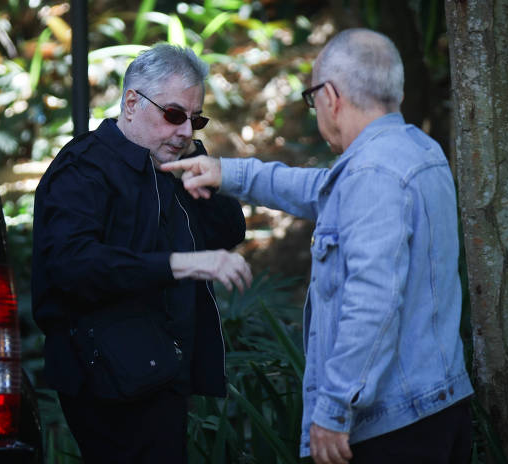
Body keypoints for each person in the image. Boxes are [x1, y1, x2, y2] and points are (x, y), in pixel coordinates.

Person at [162, 28, 474, 464]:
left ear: (331, 96)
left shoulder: (373, 175)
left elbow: (373, 303)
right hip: (435, 408)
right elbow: (319, 187)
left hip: (390, 428)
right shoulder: (417, 151)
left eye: (312, 99)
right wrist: (227, 172)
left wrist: (333, 409)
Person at [31, 43, 252, 463]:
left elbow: (228, 232)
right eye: (173, 114)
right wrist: (180, 264)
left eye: (195, 119)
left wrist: (207, 178)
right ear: (132, 103)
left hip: (163, 371)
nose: (186, 130)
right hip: (107, 378)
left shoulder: (173, 162)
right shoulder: (85, 167)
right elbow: (72, 264)